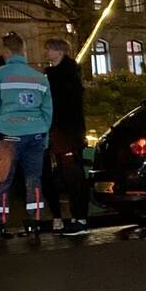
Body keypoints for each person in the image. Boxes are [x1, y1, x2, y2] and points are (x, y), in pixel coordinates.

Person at [0, 32, 52, 241]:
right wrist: (43, 134)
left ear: (6, 52)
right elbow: (48, 110)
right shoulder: (39, 77)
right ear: (24, 51)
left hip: (9, 135)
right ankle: (35, 222)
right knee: (33, 179)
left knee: (2, 180)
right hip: (36, 133)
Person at [41, 38, 90, 236]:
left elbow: (64, 105)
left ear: (57, 51)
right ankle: (78, 217)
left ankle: (79, 218)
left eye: (48, 50)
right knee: (69, 173)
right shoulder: (68, 73)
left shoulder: (61, 76)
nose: (46, 54)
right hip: (67, 131)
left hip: (64, 131)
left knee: (71, 174)